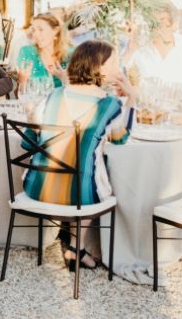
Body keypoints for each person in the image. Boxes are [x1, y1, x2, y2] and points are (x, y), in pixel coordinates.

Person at [24, 39, 132, 270]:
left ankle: (76, 248)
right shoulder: (109, 104)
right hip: (84, 197)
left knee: (79, 173)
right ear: (99, 67)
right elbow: (121, 138)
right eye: (114, 61)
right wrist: (132, 98)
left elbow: (28, 141)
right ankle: (76, 247)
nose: (118, 66)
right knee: (88, 178)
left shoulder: (53, 95)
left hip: (37, 187)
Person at [126, 6, 182, 87]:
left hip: (180, 99)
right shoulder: (139, 47)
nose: (157, 28)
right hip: (145, 99)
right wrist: (130, 51)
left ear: (174, 25)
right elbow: (121, 77)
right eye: (152, 23)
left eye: (162, 23)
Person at [16, 13, 70, 88]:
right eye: (34, 30)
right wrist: (21, 81)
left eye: (41, 29)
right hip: (35, 99)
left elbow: (82, 91)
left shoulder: (71, 55)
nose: (36, 34)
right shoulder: (27, 52)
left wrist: (66, 80)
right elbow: (20, 93)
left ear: (55, 31)